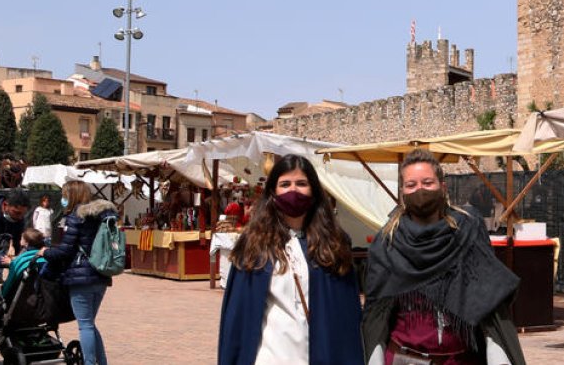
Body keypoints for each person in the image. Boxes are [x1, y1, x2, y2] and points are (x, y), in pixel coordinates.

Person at [363, 148, 525, 365]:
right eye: (411, 185)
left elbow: (489, 302)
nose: (420, 190)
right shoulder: (388, 242)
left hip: (459, 359)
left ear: (442, 187)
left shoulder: (467, 230)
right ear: (403, 192)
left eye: (427, 183)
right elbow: (376, 317)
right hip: (405, 358)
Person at [218, 153, 363, 364]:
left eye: (301, 183)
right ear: (273, 192)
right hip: (268, 357)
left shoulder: (333, 245)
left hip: (321, 356)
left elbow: (347, 317)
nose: (293, 190)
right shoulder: (254, 245)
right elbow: (237, 318)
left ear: (313, 190)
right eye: (285, 184)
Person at [42, 179, 117, 365]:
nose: (63, 199)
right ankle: (102, 362)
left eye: (64, 195)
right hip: (101, 273)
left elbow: (66, 250)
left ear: (72, 195)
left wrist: (45, 252)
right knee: (89, 323)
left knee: (85, 325)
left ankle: (90, 363)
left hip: (80, 276)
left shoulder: (76, 217)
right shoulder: (102, 216)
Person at [1, 227, 46, 300]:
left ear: (26, 243)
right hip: (42, 298)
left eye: (21, 238)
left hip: (20, 300)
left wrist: (2, 295)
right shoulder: (45, 258)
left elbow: (9, 284)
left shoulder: (21, 261)